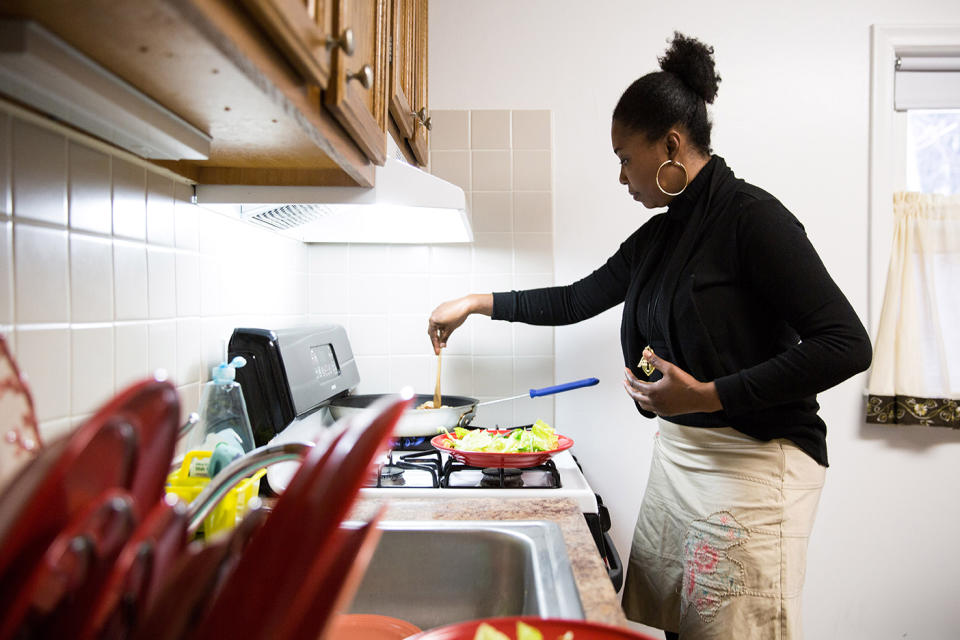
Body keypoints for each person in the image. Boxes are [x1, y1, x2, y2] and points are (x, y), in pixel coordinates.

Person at [427, 32, 872, 640]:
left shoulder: (753, 220)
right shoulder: (661, 238)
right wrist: (477, 303)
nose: (621, 176)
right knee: (679, 628)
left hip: (755, 464)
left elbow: (846, 343)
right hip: (683, 459)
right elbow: (576, 299)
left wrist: (711, 395)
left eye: (623, 157)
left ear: (671, 144)